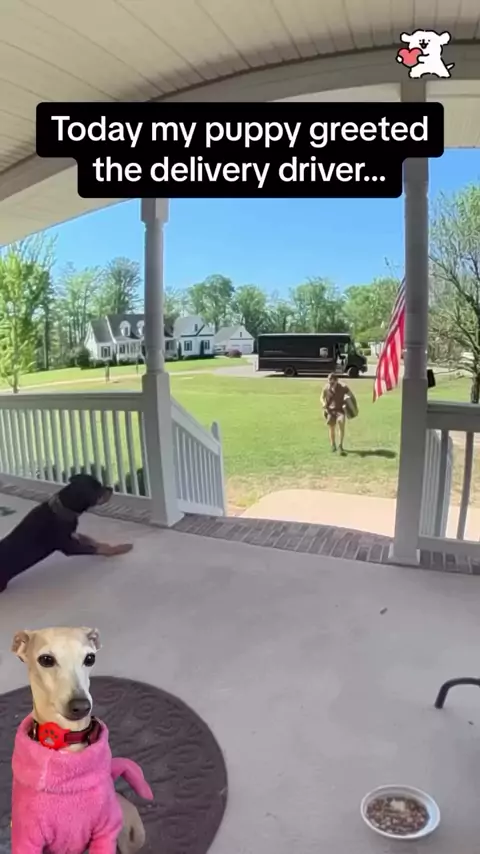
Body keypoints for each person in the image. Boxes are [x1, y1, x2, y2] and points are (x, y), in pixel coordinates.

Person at [321, 373, 355, 455]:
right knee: (331, 428)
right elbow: (322, 397)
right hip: (330, 411)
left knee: (341, 426)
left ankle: (340, 445)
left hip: (340, 411)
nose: (330, 383)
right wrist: (323, 403)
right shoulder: (326, 388)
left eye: (332, 382)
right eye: (329, 381)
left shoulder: (343, 387)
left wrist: (348, 400)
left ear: (336, 381)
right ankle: (333, 445)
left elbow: (350, 395)